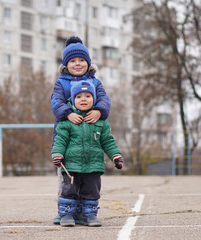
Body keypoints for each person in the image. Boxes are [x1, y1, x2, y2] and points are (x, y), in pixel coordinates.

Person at [51, 36, 111, 225]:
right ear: (66, 64)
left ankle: (84, 212)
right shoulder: (61, 82)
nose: (78, 64)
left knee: (87, 177)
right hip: (67, 135)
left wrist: (99, 111)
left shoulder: (95, 82)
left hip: (89, 136)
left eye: (82, 60)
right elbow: (56, 102)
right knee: (68, 177)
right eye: (73, 61)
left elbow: (104, 100)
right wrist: (68, 114)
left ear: (88, 62)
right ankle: (65, 212)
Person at [51, 81, 124, 227]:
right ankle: (66, 215)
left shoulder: (101, 123)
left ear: (94, 99)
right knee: (69, 191)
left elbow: (108, 141)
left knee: (92, 191)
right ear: (72, 100)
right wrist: (57, 153)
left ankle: (90, 215)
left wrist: (116, 155)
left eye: (88, 96)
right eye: (78, 96)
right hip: (71, 165)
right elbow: (60, 139)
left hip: (94, 165)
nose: (83, 99)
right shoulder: (66, 122)